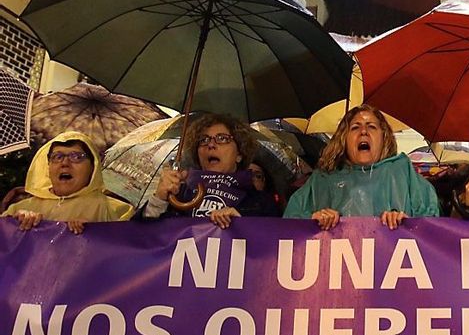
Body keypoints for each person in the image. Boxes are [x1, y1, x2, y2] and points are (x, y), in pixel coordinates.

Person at [284, 105, 439, 229]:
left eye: (371, 127)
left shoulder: (403, 173)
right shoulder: (323, 178)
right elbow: (289, 223)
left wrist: (406, 223)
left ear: (384, 137)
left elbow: (431, 225)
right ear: (344, 139)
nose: (363, 132)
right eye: (355, 127)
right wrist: (313, 220)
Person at [147, 113, 279, 228]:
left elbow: (272, 248)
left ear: (239, 154)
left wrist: (241, 225)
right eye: (203, 140)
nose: (210, 145)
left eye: (222, 138)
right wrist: (158, 201)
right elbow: (143, 242)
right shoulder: (178, 194)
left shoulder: (261, 203)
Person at [2, 131, 133, 234]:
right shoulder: (18, 209)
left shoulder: (117, 211)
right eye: (57, 157)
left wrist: (98, 232)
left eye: (76, 157)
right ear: (48, 166)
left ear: (93, 166)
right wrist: (13, 224)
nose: (65, 163)